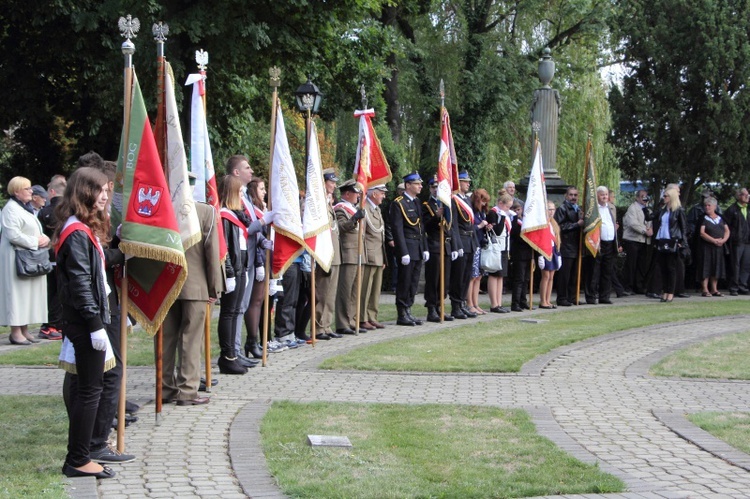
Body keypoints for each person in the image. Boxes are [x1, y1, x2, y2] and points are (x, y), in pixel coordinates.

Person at [54, 167, 117, 479]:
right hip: (84, 322)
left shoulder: (81, 228)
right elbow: (80, 283)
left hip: (85, 320)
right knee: (90, 390)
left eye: (106, 190)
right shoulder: (76, 231)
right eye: (99, 190)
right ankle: (78, 459)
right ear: (84, 193)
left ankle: (77, 457)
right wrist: (95, 325)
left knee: (86, 388)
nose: (104, 196)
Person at [161, 199, 223, 405]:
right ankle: (187, 390)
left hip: (165, 283)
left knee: (165, 338)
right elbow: (211, 252)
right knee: (191, 339)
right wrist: (215, 286)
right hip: (195, 284)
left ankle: (164, 389)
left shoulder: (163, 206)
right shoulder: (205, 211)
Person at [226, 155, 271, 367]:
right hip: (240, 257)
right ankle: (232, 351)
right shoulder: (233, 195)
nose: (251, 171)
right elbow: (242, 228)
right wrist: (263, 221)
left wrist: (263, 239)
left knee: (242, 306)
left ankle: (237, 350)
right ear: (236, 172)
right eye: (246, 167)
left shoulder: (244, 195)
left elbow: (252, 228)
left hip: (252, 256)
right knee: (237, 307)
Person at [1, 176, 49, 345]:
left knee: (28, 294)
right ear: (16, 192)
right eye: (27, 189)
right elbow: (13, 235)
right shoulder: (11, 209)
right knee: (17, 294)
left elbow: (35, 229)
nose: (31, 191)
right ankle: (15, 332)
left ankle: (25, 329)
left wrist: (45, 239)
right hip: (16, 257)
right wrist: (36, 241)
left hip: (29, 256)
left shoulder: (25, 208)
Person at [218, 175, 252, 374]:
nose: (242, 196)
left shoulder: (235, 215)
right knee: (228, 312)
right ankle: (227, 356)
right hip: (233, 271)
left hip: (240, 269)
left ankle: (232, 355)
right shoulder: (224, 216)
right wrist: (230, 272)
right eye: (239, 192)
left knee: (235, 310)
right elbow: (226, 248)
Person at [389, 171, 428, 326]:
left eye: (420, 184)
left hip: (417, 247)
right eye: (417, 184)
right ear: (408, 185)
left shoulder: (417, 202)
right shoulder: (398, 203)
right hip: (407, 248)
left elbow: (421, 226)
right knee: (404, 281)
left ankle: (409, 309)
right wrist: (403, 251)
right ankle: (402, 313)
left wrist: (424, 248)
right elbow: (397, 229)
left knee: (413, 281)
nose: (420, 186)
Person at [422, 176, 458, 322]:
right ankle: (431, 308)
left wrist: (454, 246)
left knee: (445, 280)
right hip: (435, 245)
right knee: (433, 279)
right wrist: (436, 217)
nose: (436, 189)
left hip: (446, 246)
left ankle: (440, 305)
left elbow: (451, 227)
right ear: (430, 188)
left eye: (438, 187)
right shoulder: (426, 205)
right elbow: (426, 226)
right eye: (433, 187)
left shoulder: (446, 203)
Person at [314, 169, 343, 340]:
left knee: (331, 293)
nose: (334, 185)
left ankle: (326, 324)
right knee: (323, 292)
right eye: (331, 182)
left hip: (334, 252)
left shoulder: (328, 202)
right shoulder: (318, 203)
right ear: (323, 182)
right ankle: (319, 326)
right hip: (325, 253)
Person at [38, 174, 67, 340]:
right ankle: (53, 324)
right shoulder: (70, 210)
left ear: (52, 191)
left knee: (52, 291)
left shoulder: (46, 211)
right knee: (60, 291)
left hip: (48, 255)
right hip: (65, 255)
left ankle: (51, 323)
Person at [334, 179, 365, 334]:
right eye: (355, 192)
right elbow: (341, 227)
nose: (358, 195)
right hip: (348, 253)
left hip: (357, 253)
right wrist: (354, 219)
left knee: (355, 291)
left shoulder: (352, 208)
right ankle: (342, 323)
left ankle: (352, 320)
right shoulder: (341, 209)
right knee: (345, 291)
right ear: (347, 193)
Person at [652, 187, 688, 302]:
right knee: (662, 267)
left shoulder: (678, 210)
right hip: (662, 240)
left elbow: (683, 228)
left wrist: (683, 243)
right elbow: (652, 218)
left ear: (671, 197)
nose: (664, 198)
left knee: (671, 268)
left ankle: (670, 292)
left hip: (673, 240)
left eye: (666, 196)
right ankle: (665, 291)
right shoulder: (663, 210)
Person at [449, 171, 477, 319]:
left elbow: (471, 223)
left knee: (466, 276)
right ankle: (456, 306)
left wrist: (475, 243)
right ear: (458, 182)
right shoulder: (454, 199)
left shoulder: (467, 199)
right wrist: (457, 244)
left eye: (468, 181)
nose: (468, 184)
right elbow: (453, 225)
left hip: (470, 242)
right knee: (458, 277)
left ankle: (462, 304)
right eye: (465, 181)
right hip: (461, 242)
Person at [583, 186, 617, 305]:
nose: (605, 197)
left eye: (606, 194)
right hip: (597, 242)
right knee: (593, 270)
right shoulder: (593, 209)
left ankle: (604, 296)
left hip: (610, 243)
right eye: (602, 194)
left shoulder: (611, 208)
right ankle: (591, 296)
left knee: (607, 271)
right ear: (597, 196)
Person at [360, 185, 388, 329]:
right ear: (374, 194)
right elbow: (364, 235)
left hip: (378, 254)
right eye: (382, 193)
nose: (384, 196)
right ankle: (362, 317)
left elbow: (380, 235)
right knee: (366, 289)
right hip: (369, 254)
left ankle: (372, 315)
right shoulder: (364, 208)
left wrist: (383, 257)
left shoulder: (376, 209)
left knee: (375, 289)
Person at [554, 186, 583, 306]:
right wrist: (576, 224)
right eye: (571, 195)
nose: (573, 197)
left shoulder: (579, 209)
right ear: (566, 195)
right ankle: (562, 298)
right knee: (564, 275)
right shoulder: (562, 209)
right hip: (566, 245)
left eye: (575, 195)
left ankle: (572, 296)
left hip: (577, 245)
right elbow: (560, 227)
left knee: (574, 274)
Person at [486, 192, 513, 313]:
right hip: (496, 247)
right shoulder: (493, 213)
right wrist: (502, 217)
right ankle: (494, 304)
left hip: (504, 247)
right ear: (500, 204)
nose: (508, 209)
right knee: (494, 274)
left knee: (501, 276)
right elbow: (497, 230)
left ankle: (499, 302)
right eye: (507, 207)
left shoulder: (504, 213)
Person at [697, 197, 729, 297]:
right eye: (705, 205)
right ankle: (705, 289)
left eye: (709, 205)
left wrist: (723, 240)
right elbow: (702, 233)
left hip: (718, 247)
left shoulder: (720, 217)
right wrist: (713, 240)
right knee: (705, 267)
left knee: (716, 267)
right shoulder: (703, 218)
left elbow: (727, 230)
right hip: (706, 247)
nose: (707, 207)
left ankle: (714, 289)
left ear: (715, 206)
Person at [622, 189, 653, 294]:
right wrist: (645, 231)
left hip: (643, 241)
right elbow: (633, 223)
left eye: (646, 196)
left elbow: (650, 221)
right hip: (633, 240)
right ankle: (628, 287)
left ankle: (638, 286)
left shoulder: (648, 209)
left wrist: (650, 230)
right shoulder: (633, 208)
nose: (644, 199)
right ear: (637, 198)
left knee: (641, 264)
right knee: (631, 264)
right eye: (642, 196)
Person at [722, 187, 750, 296]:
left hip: (747, 241)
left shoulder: (748, 208)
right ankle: (734, 287)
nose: (747, 196)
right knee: (736, 265)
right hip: (736, 241)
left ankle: (742, 285)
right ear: (738, 196)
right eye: (744, 194)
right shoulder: (732, 210)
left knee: (746, 265)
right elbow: (725, 225)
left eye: (747, 194)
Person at [509, 200, 532, 312]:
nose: (517, 211)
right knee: (519, 279)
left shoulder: (525, 220)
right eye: (515, 209)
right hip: (518, 253)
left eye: (519, 209)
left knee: (526, 278)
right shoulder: (513, 221)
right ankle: (515, 303)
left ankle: (523, 300)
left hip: (527, 252)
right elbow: (515, 235)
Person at [539, 201, 562, 308]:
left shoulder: (554, 223)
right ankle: (543, 300)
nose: (551, 211)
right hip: (545, 251)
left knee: (551, 276)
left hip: (553, 251)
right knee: (546, 276)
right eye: (549, 209)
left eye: (553, 209)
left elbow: (557, 239)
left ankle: (548, 300)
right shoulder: (542, 223)